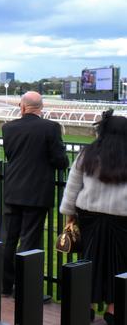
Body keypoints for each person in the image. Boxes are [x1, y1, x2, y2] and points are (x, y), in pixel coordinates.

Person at [59, 110, 127, 324]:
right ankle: (115, 309)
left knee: (88, 260)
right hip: (122, 218)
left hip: (89, 216)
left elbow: (73, 186)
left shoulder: (86, 153)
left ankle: (84, 305)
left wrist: (69, 214)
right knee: (121, 264)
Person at [1, 91, 69, 297]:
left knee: (8, 240)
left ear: (22, 107)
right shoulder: (50, 128)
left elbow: (12, 155)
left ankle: (5, 286)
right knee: (30, 241)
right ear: (41, 107)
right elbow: (60, 160)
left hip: (13, 188)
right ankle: (26, 290)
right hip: (36, 192)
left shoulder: (8, 128)